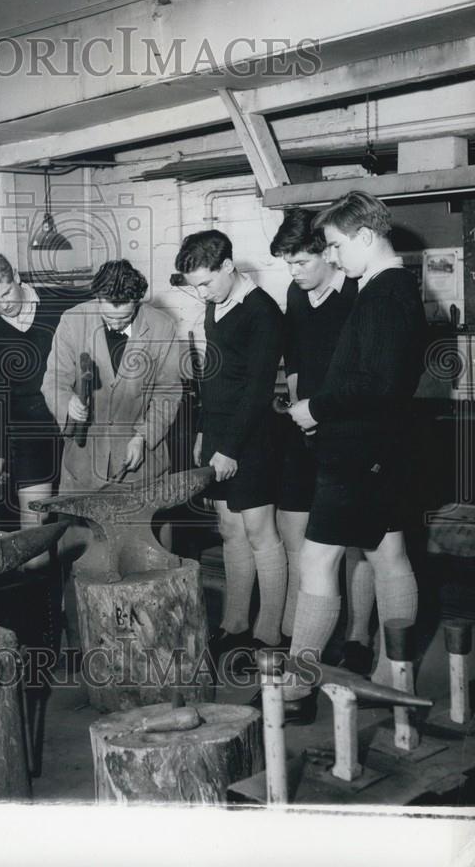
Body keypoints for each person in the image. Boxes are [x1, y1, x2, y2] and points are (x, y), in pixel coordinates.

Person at [282, 191, 426, 722]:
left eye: (338, 246)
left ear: (365, 236)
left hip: (359, 450)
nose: (335, 258)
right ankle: (396, 678)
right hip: (380, 449)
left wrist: (317, 406)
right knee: (390, 556)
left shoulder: (387, 291)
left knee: (318, 560)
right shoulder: (389, 286)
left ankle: (296, 691)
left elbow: (378, 382)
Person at [270, 208, 376, 674]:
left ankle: (357, 638)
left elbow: (366, 377)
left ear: (329, 254)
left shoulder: (357, 293)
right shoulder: (297, 293)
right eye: (288, 265)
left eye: (300, 263)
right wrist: (299, 403)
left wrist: (323, 413)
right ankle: (303, 636)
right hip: (303, 424)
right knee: (298, 534)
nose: (293, 274)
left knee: (355, 540)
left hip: (348, 429)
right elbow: (294, 352)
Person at [173, 230, 286, 657]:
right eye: (194, 285)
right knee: (230, 530)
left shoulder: (263, 313)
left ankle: (269, 634)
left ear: (227, 266)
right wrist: (205, 430)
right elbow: (214, 378)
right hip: (221, 433)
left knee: (260, 533)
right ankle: (235, 623)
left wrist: (232, 448)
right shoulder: (216, 306)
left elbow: (256, 391)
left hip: (252, 436)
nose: (201, 293)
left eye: (206, 282)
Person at [42, 259, 181, 493]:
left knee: (138, 529)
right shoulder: (72, 320)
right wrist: (68, 403)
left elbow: (168, 392)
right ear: (97, 298)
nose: (116, 324)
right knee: (84, 529)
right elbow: (54, 379)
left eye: (124, 319)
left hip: (141, 461)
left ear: (136, 302)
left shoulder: (161, 326)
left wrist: (143, 437)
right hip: (84, 463)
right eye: (108, 317)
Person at [0, 252, 66, 532]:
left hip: (74, 420)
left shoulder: (60, 303)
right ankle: (40, 575)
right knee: (35, 524)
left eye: (6, 293)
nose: (3, 304)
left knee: (81, 517)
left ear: (17, 277)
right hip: (27, 428)